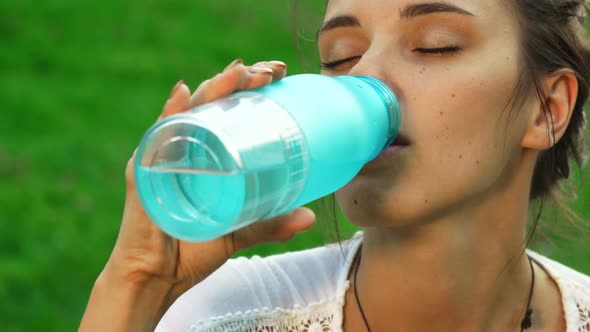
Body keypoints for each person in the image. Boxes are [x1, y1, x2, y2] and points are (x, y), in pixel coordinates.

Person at [79, 0, 590, 331]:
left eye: (435, 46)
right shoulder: (222, 317)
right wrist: (138, 285)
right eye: (341, 57)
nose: (363, 74)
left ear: (548, 108)